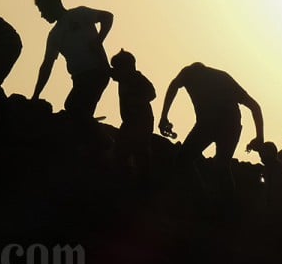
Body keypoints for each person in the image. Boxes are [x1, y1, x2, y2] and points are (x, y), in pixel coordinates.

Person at [158, 62, 264, 204]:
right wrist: (259, 137)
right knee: (218, 165)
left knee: (193, 162)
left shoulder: (198, 75)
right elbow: (254, 106)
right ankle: (211, 202)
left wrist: (164, 116)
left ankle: (210, 203)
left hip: (219, 125)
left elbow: (255, 106)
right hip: (219, 125)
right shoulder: (216, 77)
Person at [30, 0, 113, 120]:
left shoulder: (79, 13)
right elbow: (47, 66)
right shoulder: (54, 35)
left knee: (75, 109)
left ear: (52, 5)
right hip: (79, 78)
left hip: (97, 71)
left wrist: (99, 40)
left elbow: (107, 17)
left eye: (42, 10)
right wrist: (36, 95)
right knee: (73, 108)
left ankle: (101, 137)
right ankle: (90, 127)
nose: (42, 15)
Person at [110, 49, 156, 186]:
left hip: (142, 121)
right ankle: (128, 176)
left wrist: (136, 100)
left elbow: (152, 93)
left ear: (127, 68)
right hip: (130, 121)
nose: (115, 71)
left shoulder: (136, 78)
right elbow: (109, 71)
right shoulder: (122, 77)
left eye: (117, 68)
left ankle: (144, 181)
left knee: (140, 150)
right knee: (122, 149)